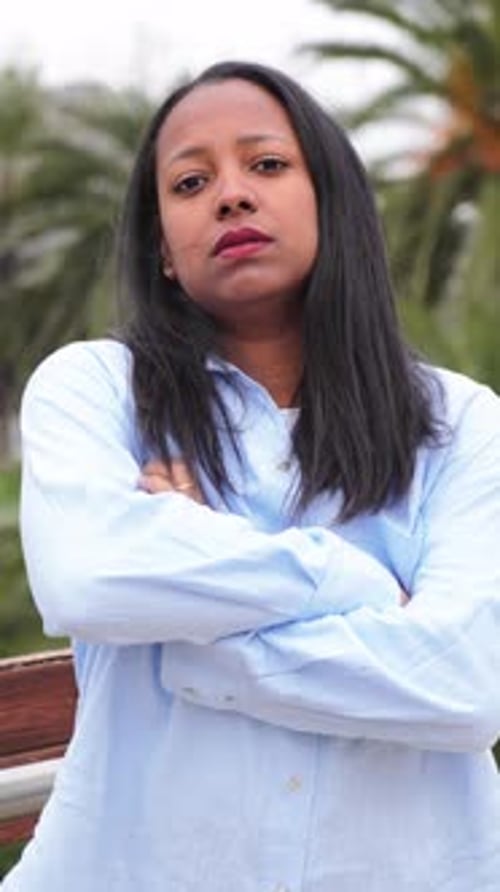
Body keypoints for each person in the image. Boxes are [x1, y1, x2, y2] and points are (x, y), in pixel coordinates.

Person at [3, 60, 500, 892]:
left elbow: (465, 683)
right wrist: (361, 581)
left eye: (267, 165)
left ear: (331, 200)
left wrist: (194, 643)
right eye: (191, 181)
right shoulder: (93, 390)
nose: (230, 195)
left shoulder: (461, 424)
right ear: (163, 248)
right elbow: (89, 580)